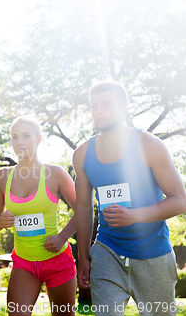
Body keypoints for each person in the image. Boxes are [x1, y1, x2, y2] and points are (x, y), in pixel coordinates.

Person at [73, 80, 186, 315]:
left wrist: (135, 216)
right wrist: (83, 257)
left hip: (153, 253)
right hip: (107, 251)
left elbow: (179, 200)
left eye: (105, 104)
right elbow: (83, 207)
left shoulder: (149, 145)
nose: (98, 111)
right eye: (94, 106)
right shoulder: (82, 154)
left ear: (124, 107)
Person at [0, 116, 77, 316]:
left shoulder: (56, 173)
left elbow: (83, 210)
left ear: (38, 139)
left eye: (26, 136)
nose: (19, 142)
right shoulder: (3, 177)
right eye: (14, 137)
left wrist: (62, 237)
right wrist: (1, 221)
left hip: (57, 260)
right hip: (24, 263)